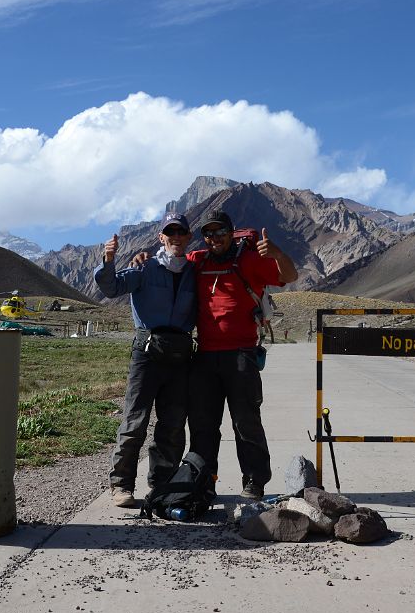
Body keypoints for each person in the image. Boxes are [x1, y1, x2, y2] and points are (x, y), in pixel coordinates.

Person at [186, 210, 298, 500]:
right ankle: (204, 480)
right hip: (205, 356)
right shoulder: (197, 261)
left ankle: (254, 481)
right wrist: (143, 259)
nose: (214, 238)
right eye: (208, 233)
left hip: (241, 355)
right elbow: (168, 262)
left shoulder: (250, 260)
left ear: (231, 233)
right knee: (203, 424)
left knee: (246, 422)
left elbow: (289, 275)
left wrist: (277, 253)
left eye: (220, 232)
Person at [93, 213, 197, 508]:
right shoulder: (144, 268)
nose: (176, 237)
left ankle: (161, 483)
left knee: (173, 423)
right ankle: (122, 484)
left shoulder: (194, 272)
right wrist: (109, 258)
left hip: (180, 354)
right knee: (135, 420)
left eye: (181, 232)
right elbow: (111, 287)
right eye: (170, 232)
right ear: (161, 237)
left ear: (188, 237)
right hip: (147, 352)